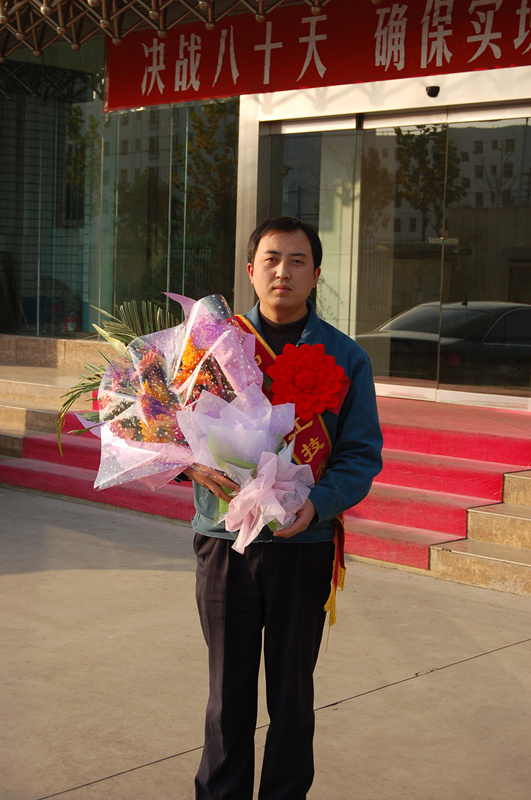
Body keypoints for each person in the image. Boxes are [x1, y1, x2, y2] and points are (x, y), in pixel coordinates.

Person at [183, 216, 383, 800]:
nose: (283, 272)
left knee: (292, 698)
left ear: (316, 274)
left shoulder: (346, 357)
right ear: (250, 271)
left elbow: (359, 455)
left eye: (298, 261)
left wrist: (317, 505)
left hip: (304, 546)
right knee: (227, 698)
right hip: (225, 543)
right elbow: (171, 429)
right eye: (271, 259)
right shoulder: (213, 348)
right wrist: (187, 465)